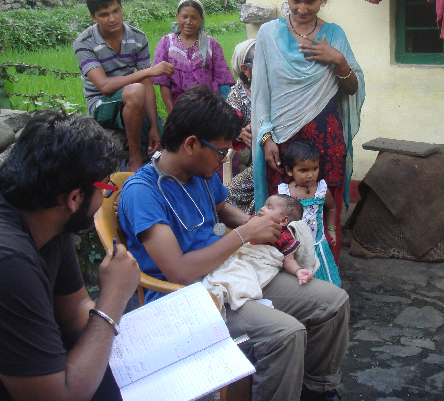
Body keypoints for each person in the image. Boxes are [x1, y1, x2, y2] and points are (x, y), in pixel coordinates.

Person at [118, 85, 350, 401]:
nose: (224, 159)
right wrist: (245, 233)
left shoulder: (199, 173)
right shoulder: (142, 192)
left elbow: (222, 208)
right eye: (220, 151)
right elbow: (179, 272)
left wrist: (263, 226)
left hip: (230, 271)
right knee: (285, 333)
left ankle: (317, 391)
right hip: (190, 295)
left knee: (332, 303)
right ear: (190, 144)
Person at [0, 109, 141, 400]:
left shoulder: (46, 215)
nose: (106, 194)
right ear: (74, 198)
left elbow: (74, 306)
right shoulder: (3, 261)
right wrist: (113, 298)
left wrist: (133, 344)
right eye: (104, 186)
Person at [251, 0, 365, 265]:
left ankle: (326, 273)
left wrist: (338, 60)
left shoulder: (334, 35)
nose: (302, 9)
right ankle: (284, 274)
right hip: (282, 142)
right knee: (282, 214)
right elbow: (261, 91)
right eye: (295, 1)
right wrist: (265, 138)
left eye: (311, 1)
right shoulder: (269, 34)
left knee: (324, 211)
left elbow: (352, 88)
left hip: (326, 140)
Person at [73, 0, 175, 173]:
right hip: (101, 103)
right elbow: (104, 86)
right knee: (135, 90)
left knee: (164, 142)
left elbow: (146, 83)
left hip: (132, 100)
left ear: (121, 8)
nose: (112, 19)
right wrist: (148, 72)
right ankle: (134, 159)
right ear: (93, 17)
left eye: (115, 11)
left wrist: (154, 126)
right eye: (104, 15)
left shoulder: (137, 37)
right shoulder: (84, 42)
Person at [151, 0, 235, 113]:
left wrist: (222, 113)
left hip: (209, 109)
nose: (189, 22)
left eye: (194, 18)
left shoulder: (212, 45)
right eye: (184, 17)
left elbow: (223, 81)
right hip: (179, 109)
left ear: (201, 19)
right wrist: (172, 115)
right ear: (177, 16)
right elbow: (164, 83)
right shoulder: (166, 43)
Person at [279, 139, 341, 287]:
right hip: (295, 247)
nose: (310, 175)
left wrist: (331, 230)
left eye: (314, 168)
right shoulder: (285, 192)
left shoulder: (321, 190)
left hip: (318, 245)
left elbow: (331, 208)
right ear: (289, 170)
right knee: (299, 281)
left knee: (325, 281)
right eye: (303, 170)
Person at [253, 194, 314, 285]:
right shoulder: (253, 223)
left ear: (283, 221)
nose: (262, 209)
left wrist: (298, 271)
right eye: (264, 205)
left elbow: (288, 260)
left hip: (263, 268)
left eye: (269, 208)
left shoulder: (283, 237)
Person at [225, 39, 256, 214]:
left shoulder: (278, 88)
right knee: (225, 197)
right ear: (245, 69)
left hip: (284, 157)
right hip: (255, 162)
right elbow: (227, 126)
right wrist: (240, 133)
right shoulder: (237, 94)